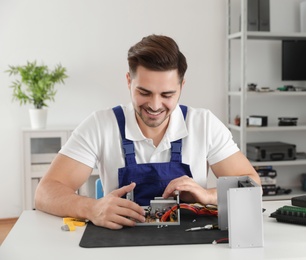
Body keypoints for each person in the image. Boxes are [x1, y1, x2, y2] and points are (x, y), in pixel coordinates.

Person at [35, 34, 261, 229]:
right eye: (144, 92)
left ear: (182, 87)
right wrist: (92, 207)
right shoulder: (101, 124)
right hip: (119, 244)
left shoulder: (204, 124)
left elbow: (253, 184)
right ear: (128, 82)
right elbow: (45, 192)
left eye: (167, 95)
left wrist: (208, 195)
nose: (154, 105)